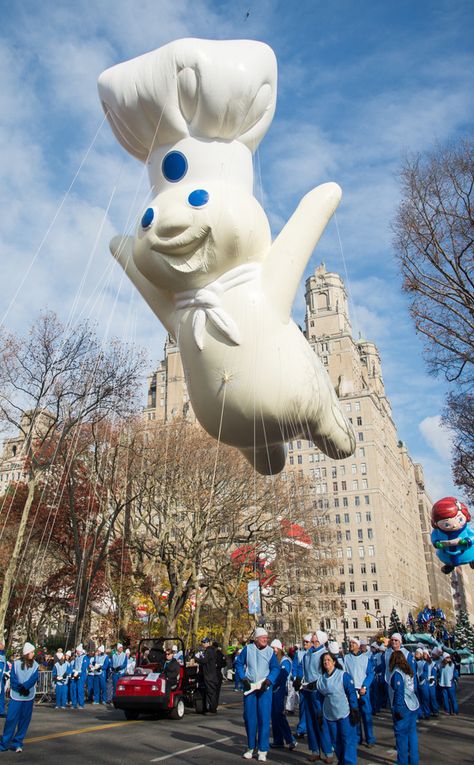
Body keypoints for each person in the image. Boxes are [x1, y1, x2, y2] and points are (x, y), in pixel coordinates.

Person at [235, 627, 280, 762]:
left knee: (264, 718)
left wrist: (268, 681)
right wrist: (243, 679)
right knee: (249, 718)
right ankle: (250, 747)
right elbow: (238, 663)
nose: (266, 639)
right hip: (250, 688)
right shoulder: (247, 649)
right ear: (256, 639)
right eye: (263, 637)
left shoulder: (270, 652)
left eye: (267, 637)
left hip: (264, 689)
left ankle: (263, 749)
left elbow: (275, 668)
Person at [316, 644, 359, 765]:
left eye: (329, 660)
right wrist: (319, 713)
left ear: (334, 662)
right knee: (336, 742)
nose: (326, 663)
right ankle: (342, 761)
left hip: (344, 713)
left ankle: (349, 762)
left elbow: (351, 693)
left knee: (347, 740)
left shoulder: (342, 676)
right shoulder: (321, 680)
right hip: (330, 714)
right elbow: (318, 697)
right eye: (324, 661)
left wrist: (354, 708)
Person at [295, 630, 333, 763]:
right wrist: (298, 678)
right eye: (312, 638)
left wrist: (316, 684)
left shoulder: (324, 655)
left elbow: (327, 674)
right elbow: (301, 667)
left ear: (320, 641)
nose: (312, 640)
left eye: (314, 638)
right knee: (310, 721)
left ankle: (328, 751)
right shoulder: (307, 654)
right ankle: (315, 750)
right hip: (307, 691)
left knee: (321, 721)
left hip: (318, 693)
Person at [0, 642, 39, 753]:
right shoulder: (16, 664)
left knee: (24, 720)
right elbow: (13, 678)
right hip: (16, 696)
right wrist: (19, 687)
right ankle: (5, 743)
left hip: (28, 696)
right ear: (26, 653)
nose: (33, 654)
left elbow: (34, 678)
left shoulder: (35, 665)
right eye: (31, 652)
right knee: (11, 719)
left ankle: (17, 742)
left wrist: (26, 687)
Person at [343, 637, 376, 748]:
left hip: (363, 690)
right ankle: (357, 738)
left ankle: (370, 738)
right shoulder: (346, 658)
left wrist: (365, 686)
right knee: (355, 714)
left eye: (353, 643)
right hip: (352, 690)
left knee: (366, 714)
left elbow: (370, 674)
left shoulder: (366, 659)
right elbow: (345, 673)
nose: (351, 644)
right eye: (350, 643)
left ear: (358, 645)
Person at [388, 650, 419, 765]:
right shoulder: (408, 670)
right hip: (413, 704)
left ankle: (402, 762)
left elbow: (399, 693)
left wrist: (398, 709)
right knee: (412, 735)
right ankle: (414, 761)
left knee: (401, 738)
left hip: (404, 706)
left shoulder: (397, 673)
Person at [269, 639, 296, 751]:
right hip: (273, 689)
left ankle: (290, 739)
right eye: (272, 648)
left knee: (279, 715)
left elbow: (282, 676)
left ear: (279, 649)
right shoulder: (274, 660)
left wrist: (272, 683)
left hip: (281, 689)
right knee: (274, 716)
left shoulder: (285, 661)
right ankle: (278, 740)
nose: (274, 650)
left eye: (275, 648)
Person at [292, 634, 312, 738]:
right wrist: (296, 678)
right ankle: (302, 728)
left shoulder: (314, 654)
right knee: (303, 706)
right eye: (304, 642)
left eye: (307, 642)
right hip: (302, 685)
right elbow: (295, 666)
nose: (305, 643)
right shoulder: (299, 654)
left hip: (312, 685)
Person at [195, 637, 219, 714]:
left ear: (208, 643)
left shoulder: (209, 651)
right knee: (212, 692)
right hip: (212, 674)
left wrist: (196, 658)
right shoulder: (212, 650)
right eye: (203, 642)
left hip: (209, 675)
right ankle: (212, 708)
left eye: (205, 642)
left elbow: (204, 661)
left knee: (210, 692)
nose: (203, 644)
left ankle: (212, 709)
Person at [70, 644, 89, 709]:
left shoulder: (85, 657)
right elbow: (74, 666)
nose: (76, 652)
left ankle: (81, 704)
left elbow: (84, 667)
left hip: (81, 675)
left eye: (77, 651)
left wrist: (79, 673)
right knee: (74, 689)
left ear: (80, 651)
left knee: (80, 690)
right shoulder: (76, 657)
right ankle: (74, 704)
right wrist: (73, 672)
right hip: (76, 674)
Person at [413, 648, 430, 720]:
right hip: (416, 683)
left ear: (421, 655)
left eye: (417, 653)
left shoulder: (424, 663)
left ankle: (427, 713)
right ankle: (419, 714)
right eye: (415, 653)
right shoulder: (414, 662)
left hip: (423, 683)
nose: (416, 654)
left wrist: (421, 677)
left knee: (425, 699)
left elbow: (426, 672)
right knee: (418, 700)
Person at [424, 650, 439, 716]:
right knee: (426, 698)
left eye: (424, 654)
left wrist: (432, 680)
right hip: (424, 683)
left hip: (431, 682)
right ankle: (428, 711)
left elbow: (434, 673)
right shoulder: (422, 662)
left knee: (432, 697)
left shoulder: (432, 663)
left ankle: (435, 710)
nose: (423, 655)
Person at [0, 643, 7, 718]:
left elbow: (6, 667)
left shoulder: (3, 655)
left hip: (2, 679)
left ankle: (1, 711)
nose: (2, 645)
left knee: (1, 695)